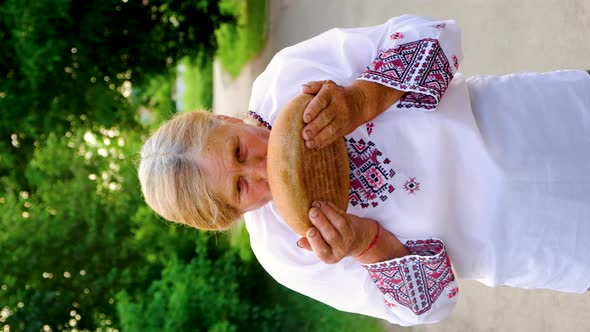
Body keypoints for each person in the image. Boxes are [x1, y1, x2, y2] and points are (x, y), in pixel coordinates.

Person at [138, 15, 590, 326]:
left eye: (239, 150)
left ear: (228, 120)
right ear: (236, 214)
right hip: (547, 240)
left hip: (549, 119)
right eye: (240, 188)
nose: (259, 169)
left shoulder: (287, 80)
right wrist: (367, 244)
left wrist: (364, 97)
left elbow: (440, 36)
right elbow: (430, 306)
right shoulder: (286, 252)